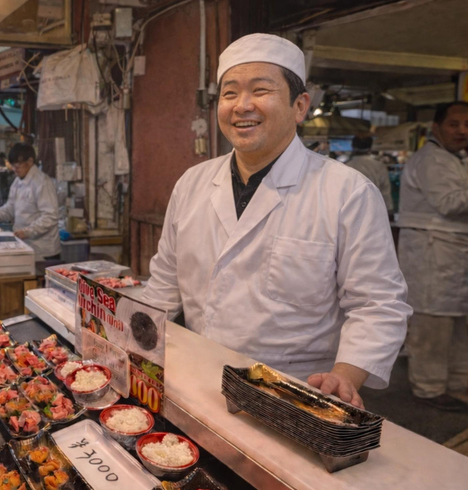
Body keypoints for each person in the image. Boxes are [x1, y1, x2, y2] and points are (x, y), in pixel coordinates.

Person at [142, 33, 412, 408]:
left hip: (292, 395)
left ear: (300, 106)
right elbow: (165, 284)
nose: (242, 106)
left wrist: (345, 377)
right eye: (230, 93)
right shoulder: (193, 183)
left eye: (260, 90)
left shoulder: (347, 192)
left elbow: (378, 305)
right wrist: (126, 340)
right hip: (196, 381)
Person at [397, 101, 468, 413]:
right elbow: (448, 203)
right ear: (437, 127)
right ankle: (429, 388)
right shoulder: (431, 159)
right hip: (433, 254)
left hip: (455, 253)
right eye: (454, 124)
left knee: (456, 324)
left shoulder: (452, 159)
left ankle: (456, 386)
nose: (462, 131)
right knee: (432, 325)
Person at [0, 143, 60, 260]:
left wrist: (28, 232)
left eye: (18, 164)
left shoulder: (42, 182)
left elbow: (50, 216)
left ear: (30, 161)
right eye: (13, 165)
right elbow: (10, 208)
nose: (15, 168)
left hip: (43, 251)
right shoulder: (17, 181)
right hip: (24, 246)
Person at [346, 135, 393, 214]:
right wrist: (389, 211)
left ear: (352, 146)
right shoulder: (379, 166)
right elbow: (385, 192)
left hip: (350, 211)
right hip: (374, 210)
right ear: (370, 148)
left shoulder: (346, 166)